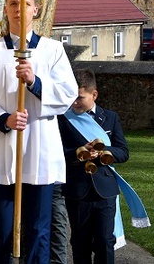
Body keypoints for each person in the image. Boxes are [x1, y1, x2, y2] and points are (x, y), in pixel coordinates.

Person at [0, 0, 78, 264]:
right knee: (2, 229)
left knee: (39, 229)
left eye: (25, 3)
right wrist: (4, 118)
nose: (19, 9)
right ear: (5, 10)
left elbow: (68, 94)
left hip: (40, 148)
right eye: (13, 4)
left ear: (36, 10)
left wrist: (35, 82)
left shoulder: (53, 50)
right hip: (5, 148)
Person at [57, 69, 129, 264]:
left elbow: (123, 152)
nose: (74, 102)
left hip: (105, 190)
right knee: (80, 243)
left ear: (94, 94)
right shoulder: (63, 119)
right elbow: (58, 153)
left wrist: (104, 151)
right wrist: (79, 152)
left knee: (105, 242)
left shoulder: (110, 117)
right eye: (72, 97)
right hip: (78, 190)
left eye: (80, 98)